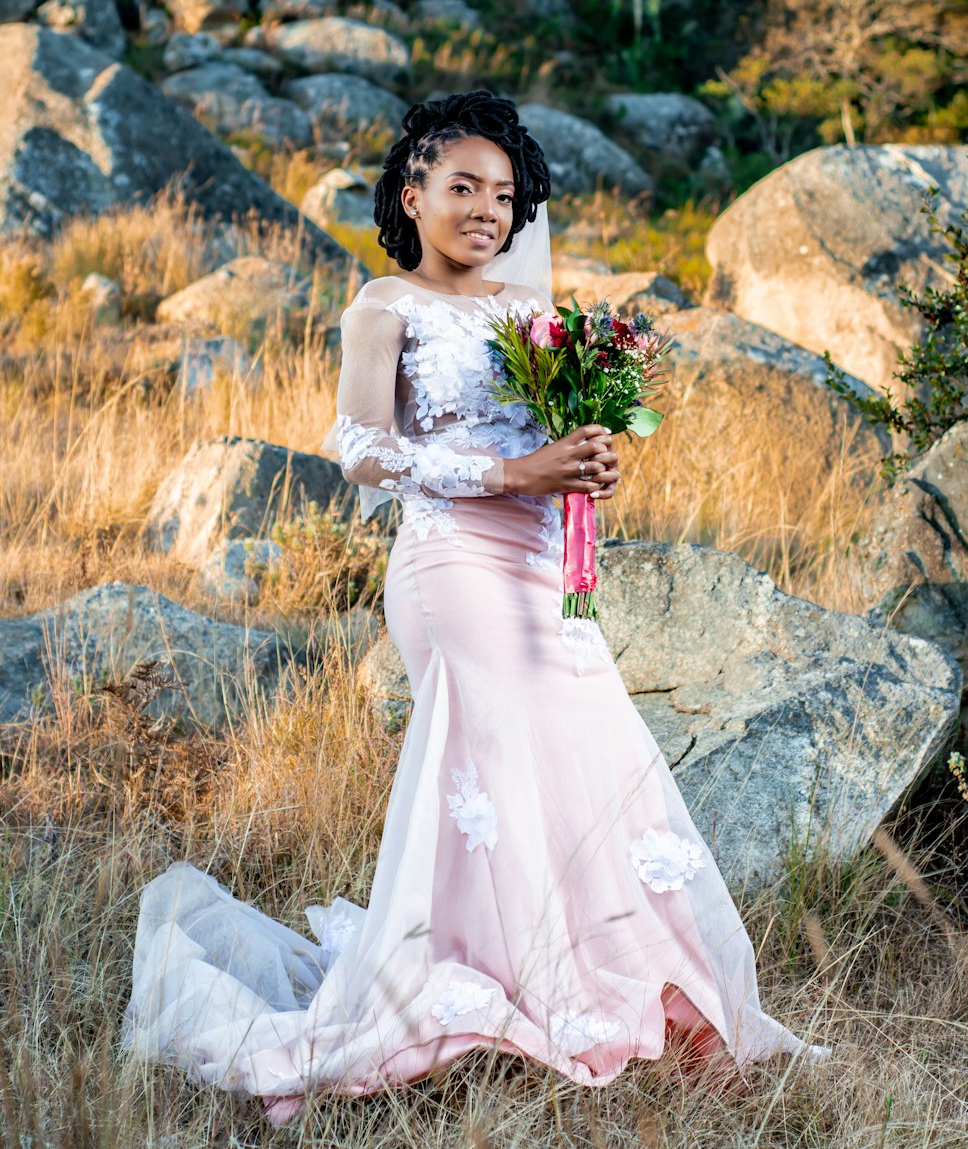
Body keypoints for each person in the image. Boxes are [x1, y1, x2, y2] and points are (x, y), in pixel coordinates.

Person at [122, 88, 831, 1124]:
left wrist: (585, 461)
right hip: (452, 563)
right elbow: (361, 449)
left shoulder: (530, 316)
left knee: (590, 759)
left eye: (503, 194)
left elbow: (551, 441)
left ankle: (599, 986)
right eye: (462, 187)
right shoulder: (383, 305)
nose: (486, 210)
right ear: (412, 194)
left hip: (545, 568)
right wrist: (512, 474)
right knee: (490, 767)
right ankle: (461, 992)